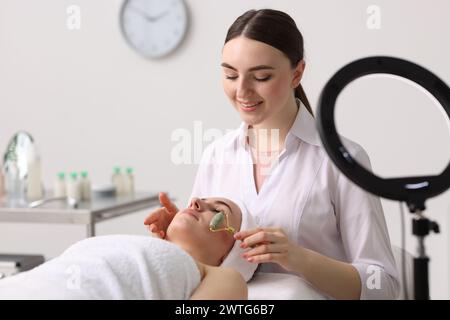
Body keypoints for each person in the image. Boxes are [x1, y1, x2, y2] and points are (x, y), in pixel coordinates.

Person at [144, 9, 400, 300]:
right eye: (230, 74)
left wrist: (300, 259)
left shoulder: (340, 160)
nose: (242, 91)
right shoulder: (217, 154)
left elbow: (385, 287)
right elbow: (203, 271)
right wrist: (178, 239)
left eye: (261, 76)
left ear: (297, 73)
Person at [0, 196, 257, 300]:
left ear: (229, 254)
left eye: (219, 211)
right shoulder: (131, 245)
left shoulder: (226, 276)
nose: (198, 201)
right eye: (202, 199)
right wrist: (167, 244)